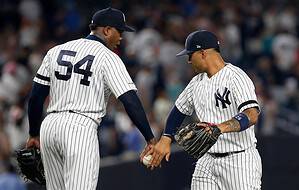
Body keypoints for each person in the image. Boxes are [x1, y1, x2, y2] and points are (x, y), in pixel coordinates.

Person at [26, 7, 156, 190]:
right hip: (80, 127)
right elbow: (130, 100)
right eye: (119, 31)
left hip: (49, 126)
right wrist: (150, 138)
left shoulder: (56, 51)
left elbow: (36, 97)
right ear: (107, 30)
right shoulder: (108, 57)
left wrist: (33, 132)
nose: (121, 37)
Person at [149, 30, 262, 189]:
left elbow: (252, 114)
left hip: (239, 160)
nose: (188, 60)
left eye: (190, 55)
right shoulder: (196, 82)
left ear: (202, 53)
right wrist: (166, 138)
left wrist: (220, 128)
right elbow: (178, 111)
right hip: (206, 160)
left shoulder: (236, 77)